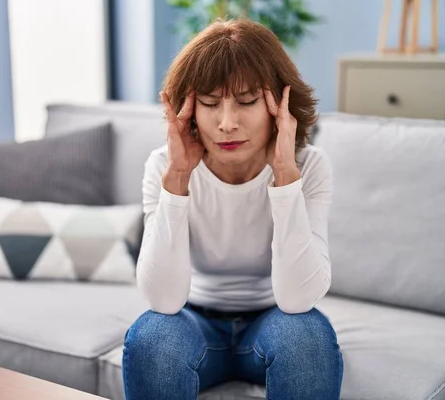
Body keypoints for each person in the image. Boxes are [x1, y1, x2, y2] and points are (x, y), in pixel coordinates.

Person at [122, 18, 344, 400]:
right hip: (194, 322)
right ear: (189, 109)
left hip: (275, 319)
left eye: (246, 102)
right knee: (153, 337)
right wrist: (178, 177)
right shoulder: (164, 165)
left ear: (279, 102)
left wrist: (285, 175)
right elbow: (163, 300)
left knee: (307, 339)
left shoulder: (309, 166)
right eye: (209, 104)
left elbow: (297, 300)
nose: (226, 123)